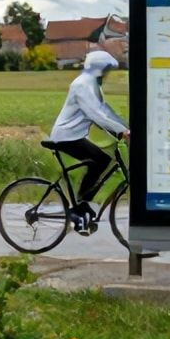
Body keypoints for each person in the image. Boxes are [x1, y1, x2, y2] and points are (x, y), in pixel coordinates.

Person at [45, 48, 130, 234]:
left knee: (101, 160)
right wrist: (122, 131)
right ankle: (79, 206)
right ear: (99, 68)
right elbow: (96, 114)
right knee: (100, 160)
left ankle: (81, 205)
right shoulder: (83, 85)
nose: (107, 75)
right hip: (65, 136)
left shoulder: (91, 83)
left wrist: (125, 128)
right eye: (106, 70)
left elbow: (105, 110)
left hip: (72, 136)